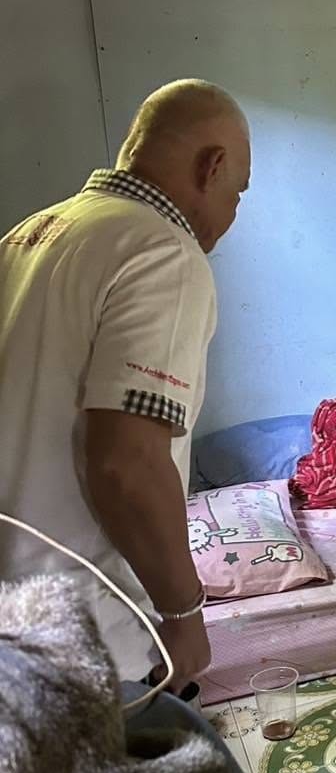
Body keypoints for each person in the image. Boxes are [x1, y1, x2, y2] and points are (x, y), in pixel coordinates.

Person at [0, 80, 250, 690]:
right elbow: (127, 462)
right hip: (84, 627)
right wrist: (184, 614)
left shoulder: (30, 236)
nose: (233, 215)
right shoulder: (163, 253)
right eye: (238, 193)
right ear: (213, 167)